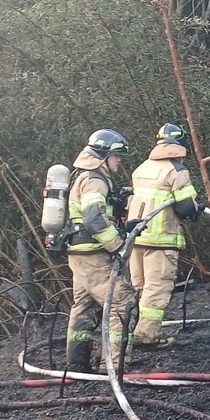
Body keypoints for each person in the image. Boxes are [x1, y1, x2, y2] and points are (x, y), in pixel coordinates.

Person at [63, 130, 135, 372]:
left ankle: (77, 364)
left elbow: (97, 217)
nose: (119, 160)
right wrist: (119, 246)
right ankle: (113, 367)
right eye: (116, 156)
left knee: (84, 306)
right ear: (103, 156)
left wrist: (124, 227)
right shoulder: (95, 179)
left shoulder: (82, 176)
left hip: (80, 254)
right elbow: (94, 218)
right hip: (95, 256)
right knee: (122, 304)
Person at [126, 123, 203, 349]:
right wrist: (195, 210)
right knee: (157, 289)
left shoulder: (142, 168)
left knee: (138, 287)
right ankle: (146, 336)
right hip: (161, 240)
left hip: (137, 237)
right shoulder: (177, 171)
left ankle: (128, 332)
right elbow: (186, 206)